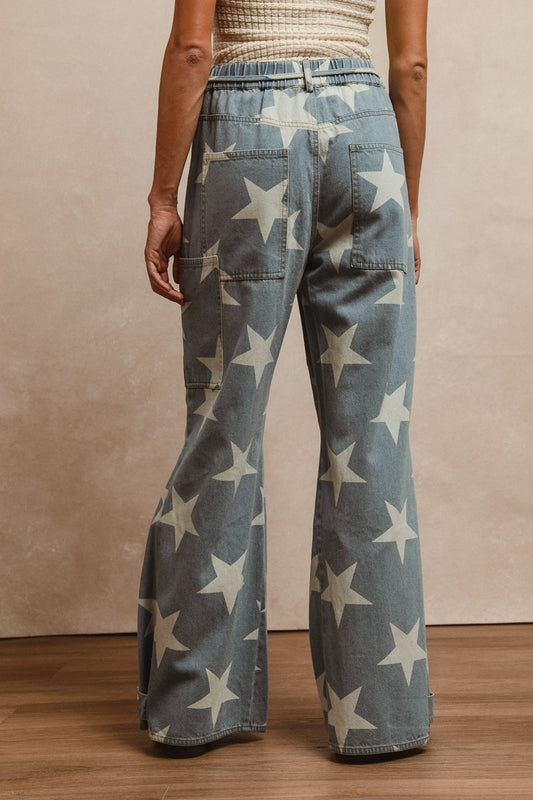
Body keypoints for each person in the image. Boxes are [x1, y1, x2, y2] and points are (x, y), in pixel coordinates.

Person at [137, 0, 433, 760]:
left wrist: (163, 197)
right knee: (372, 437)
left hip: (248, 134)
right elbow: (409, 67)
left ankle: (198, 706)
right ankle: (381, 716)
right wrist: (406, 207)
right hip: (367, 137)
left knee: (224, 426)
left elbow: (194, 49)